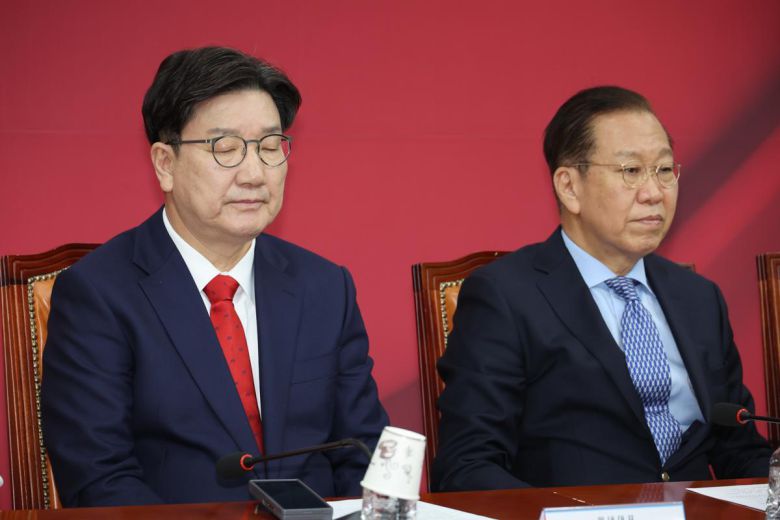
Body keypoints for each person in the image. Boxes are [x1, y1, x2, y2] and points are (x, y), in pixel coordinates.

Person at [41, 46, 389, 506]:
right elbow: (99, 480)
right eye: (225, 149)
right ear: (165, 164)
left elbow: (366, 455)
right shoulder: (98, 294)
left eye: (270, 147)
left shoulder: (325, 287)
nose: (254, 174)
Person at [432, 86, 771, 491]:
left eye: (664, 170)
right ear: (569, 187)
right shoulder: (504, 296)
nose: (654, 193)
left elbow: (740, 450)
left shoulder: (699, 298)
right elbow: (467, 465)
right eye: (631, 171)